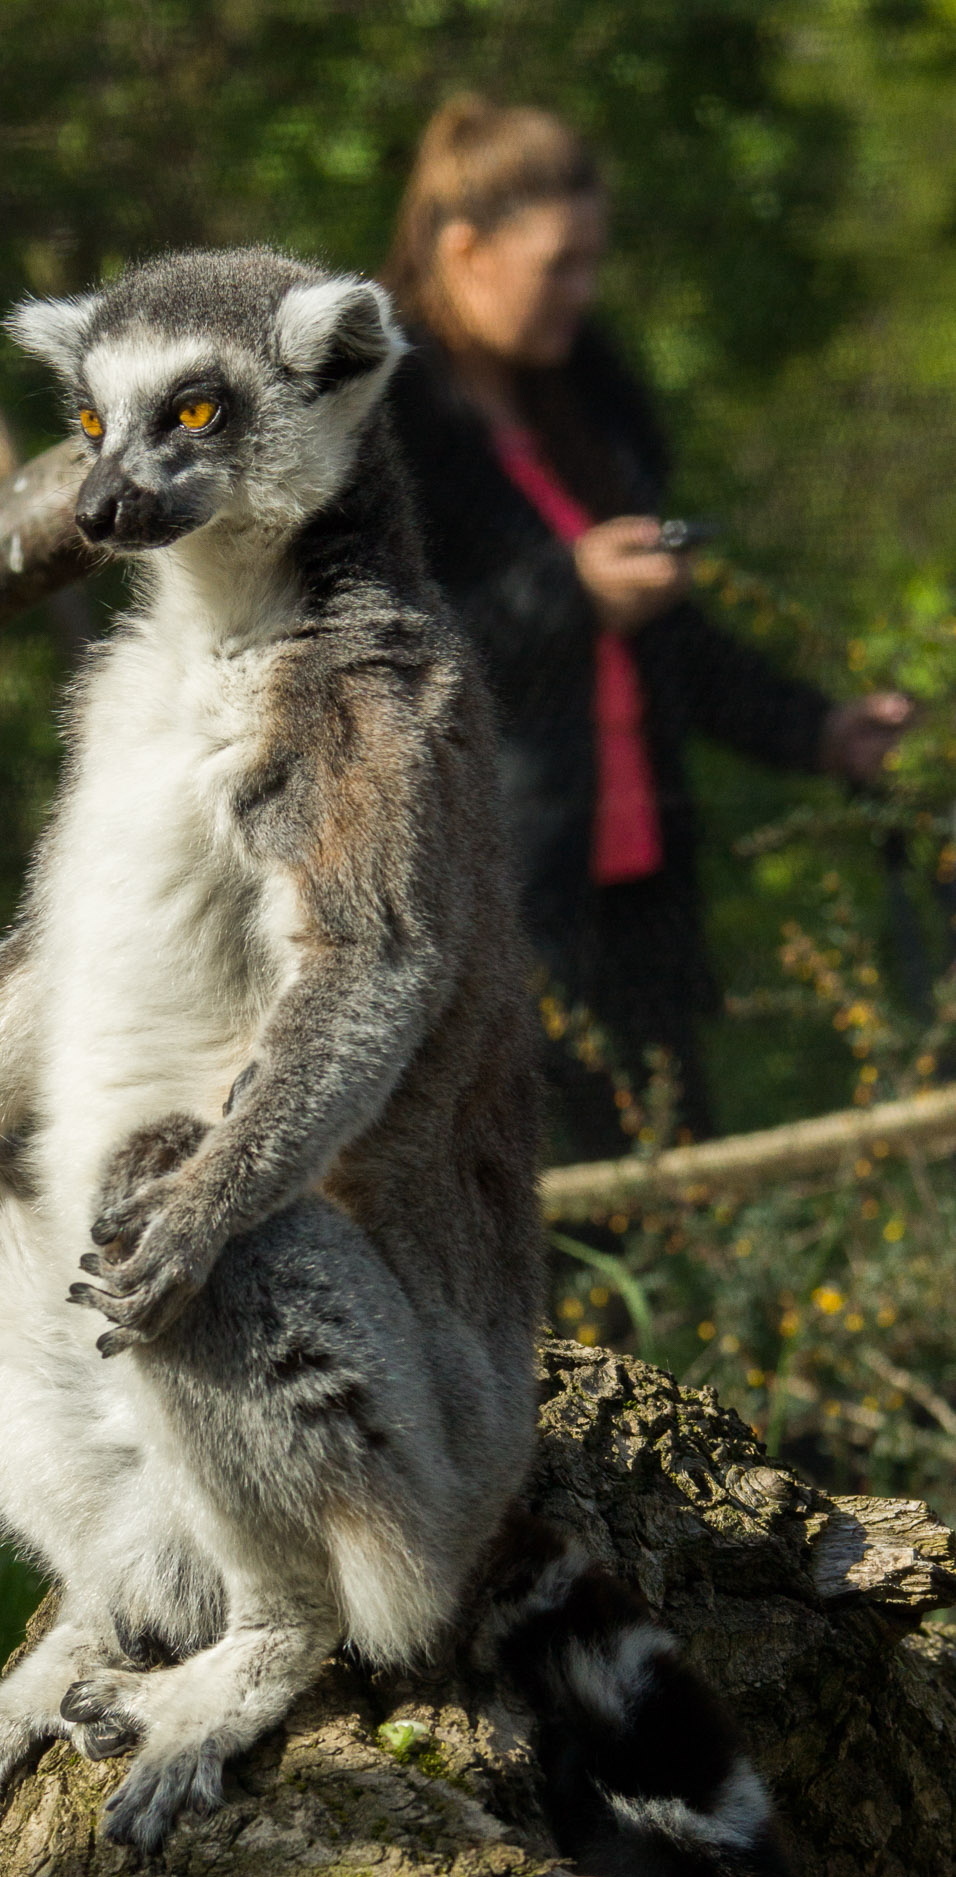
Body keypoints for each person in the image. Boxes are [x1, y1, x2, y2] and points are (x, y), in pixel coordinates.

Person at [383, 96, 911, 1156]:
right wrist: (565, 592)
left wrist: (816, 729)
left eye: (591, 265)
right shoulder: (382, 418)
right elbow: (381, 652)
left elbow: (666, 639)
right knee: (540, 1239)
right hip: (489, 902)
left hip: (637, 890)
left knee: (674, 1209)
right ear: (465, 249)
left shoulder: (585, 391)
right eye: (558, 265)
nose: (581, 294)